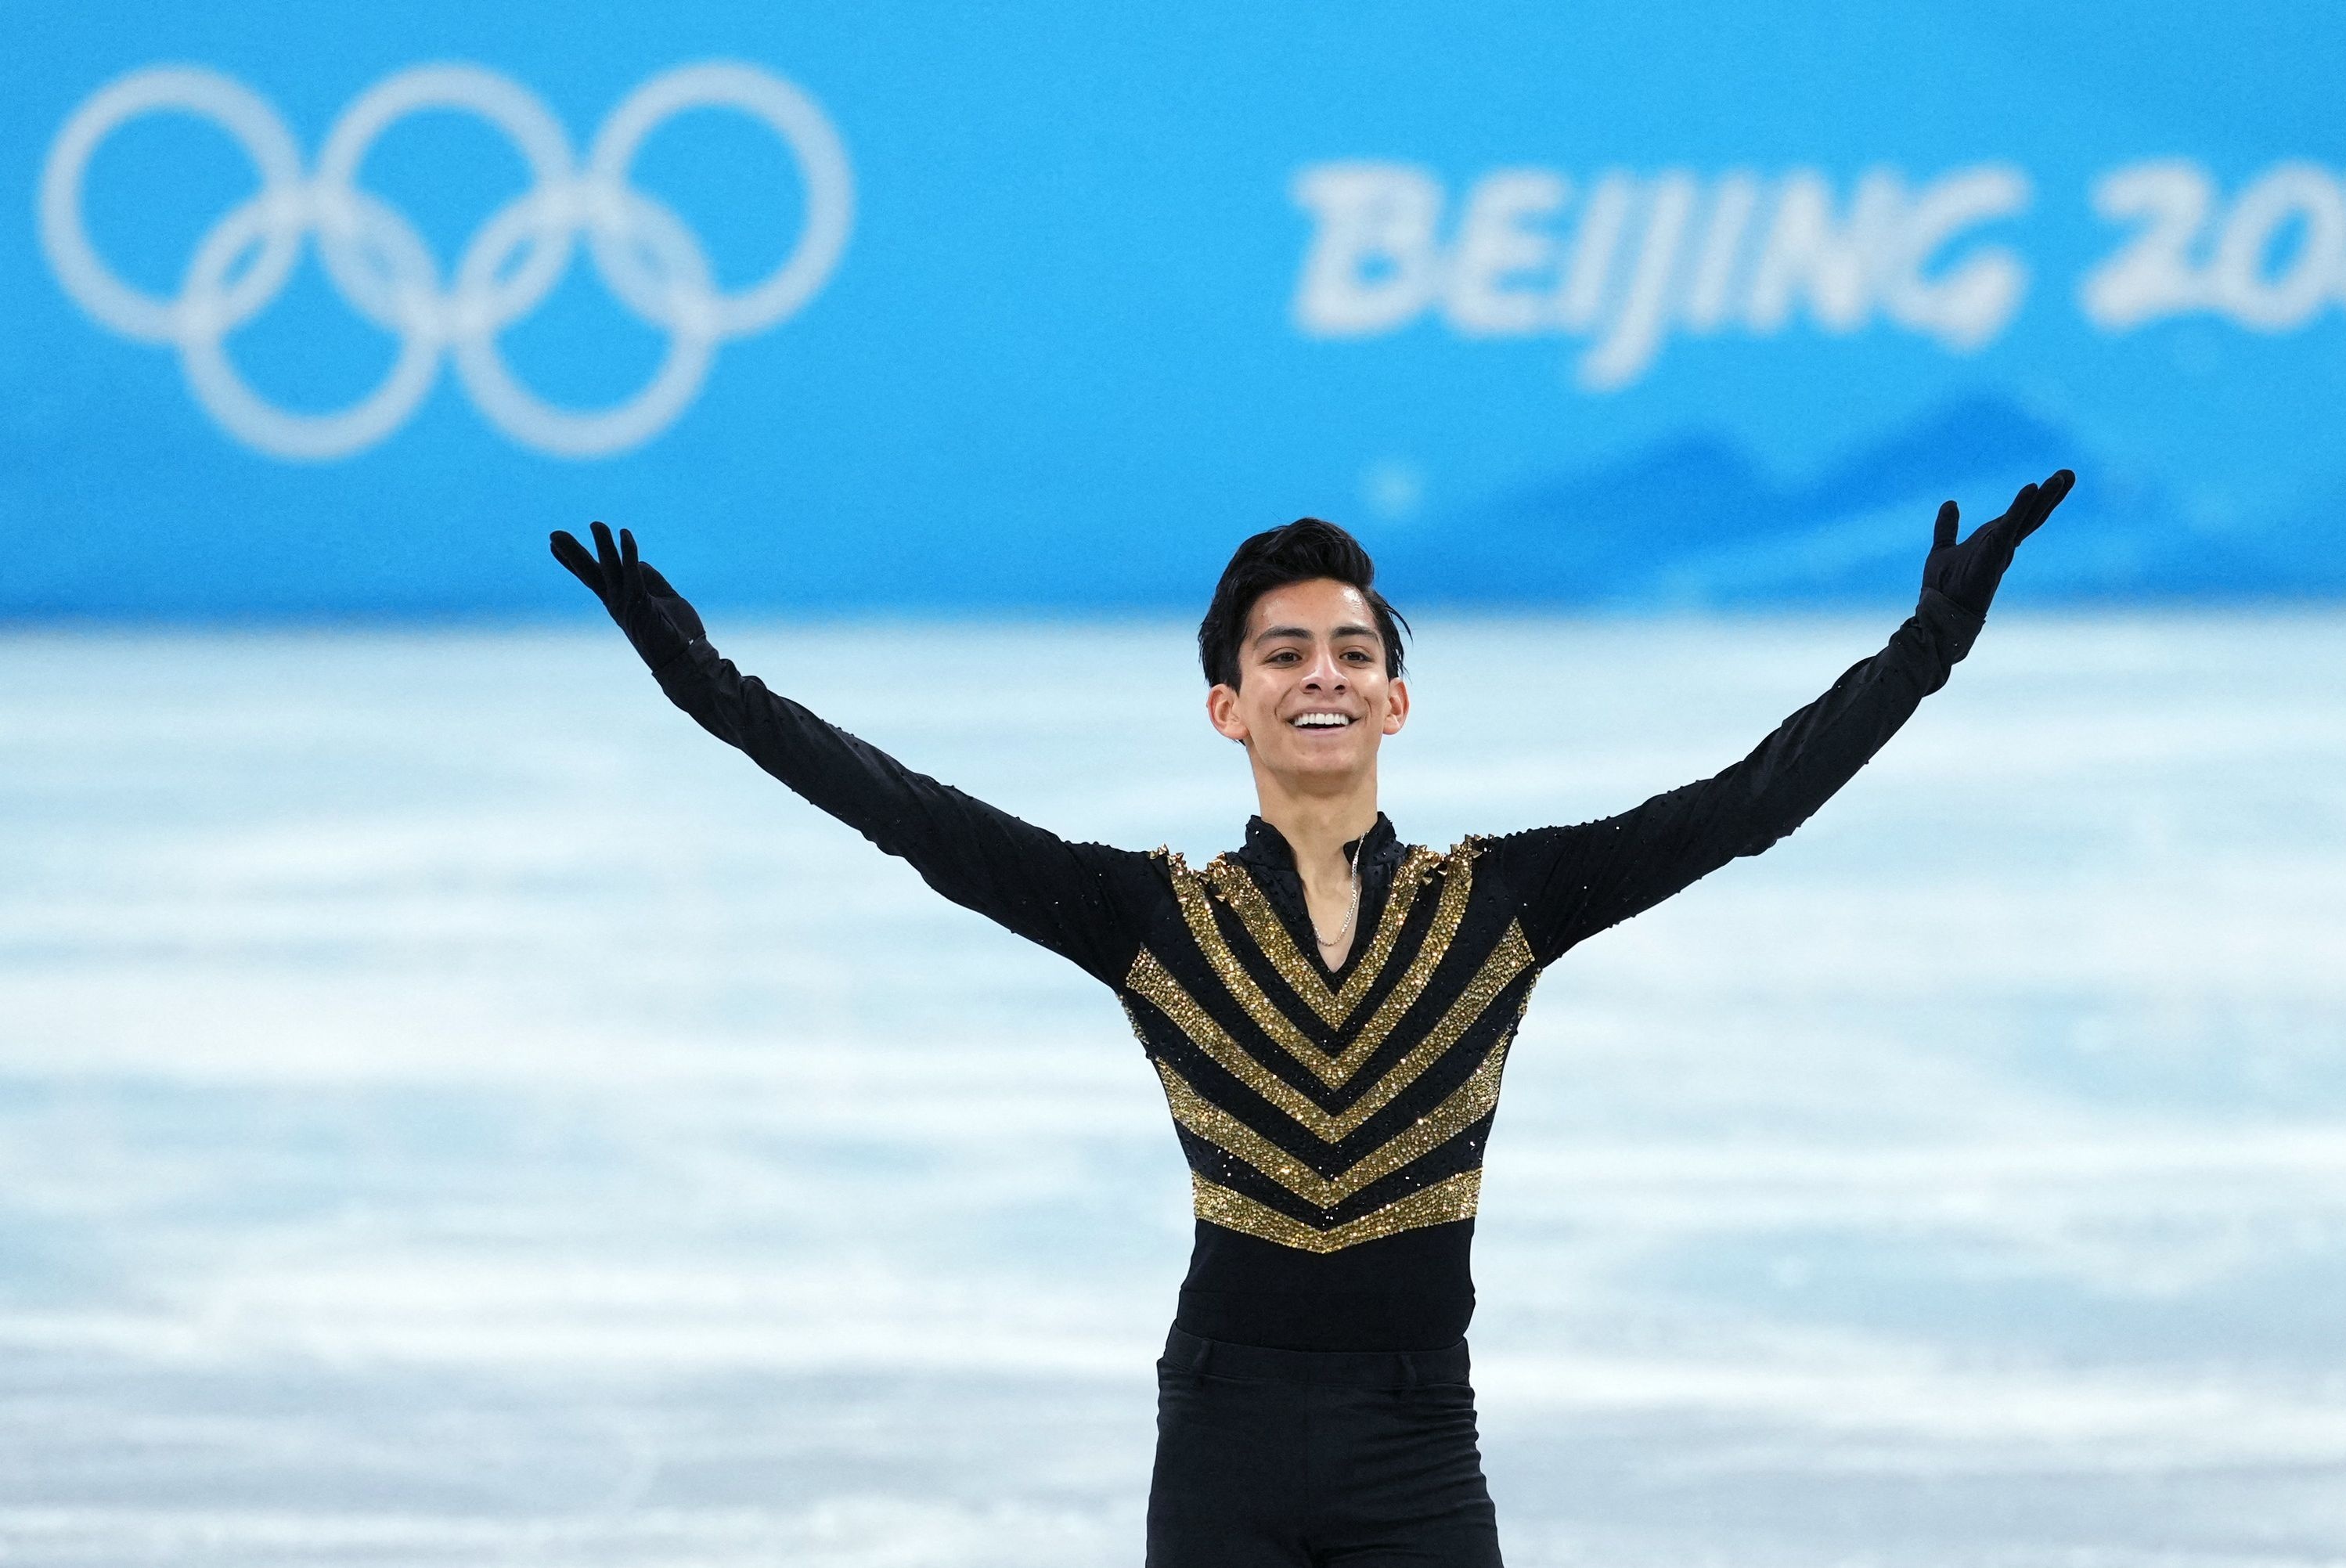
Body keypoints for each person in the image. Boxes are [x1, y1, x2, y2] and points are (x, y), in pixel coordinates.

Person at [550, 467, 2074, 1567]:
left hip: (1419, 1433)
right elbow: (908, 815)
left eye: (1354, 651)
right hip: (1226, 1428)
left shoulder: (1502, 902)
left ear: (1398, 699)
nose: (1322, 674)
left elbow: (1753, 802)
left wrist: (1924, 650)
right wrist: (710, 687)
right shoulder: (1152, 917)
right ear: (1229, 705)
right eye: (1283, 653)